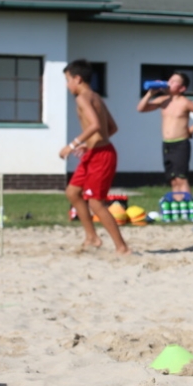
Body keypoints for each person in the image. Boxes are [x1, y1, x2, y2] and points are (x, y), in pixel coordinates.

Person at [60, 59, 130, 255]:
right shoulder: (96, 97)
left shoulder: (82, 98)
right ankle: (92, 237)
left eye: (67, 80)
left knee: (96, 202)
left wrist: (72, 145)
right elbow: (112, 128)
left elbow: (95, 126)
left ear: (77, 79)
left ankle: (122, 248)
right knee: (73, 192)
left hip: (102, 156)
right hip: (93, 152)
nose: (67, 85)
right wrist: (87, 144)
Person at [136, 72, 193, 194]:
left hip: (180, 144)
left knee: (181, 178)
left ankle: (187, 208)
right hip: (167, 144)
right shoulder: (163, 100)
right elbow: (141, 108)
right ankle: (177, 206)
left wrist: (192, 129)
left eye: (174, 81)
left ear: (182, 88)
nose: (169, 83)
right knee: (173, 180)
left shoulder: (185, 102)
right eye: (169, 80)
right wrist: (150, 94)